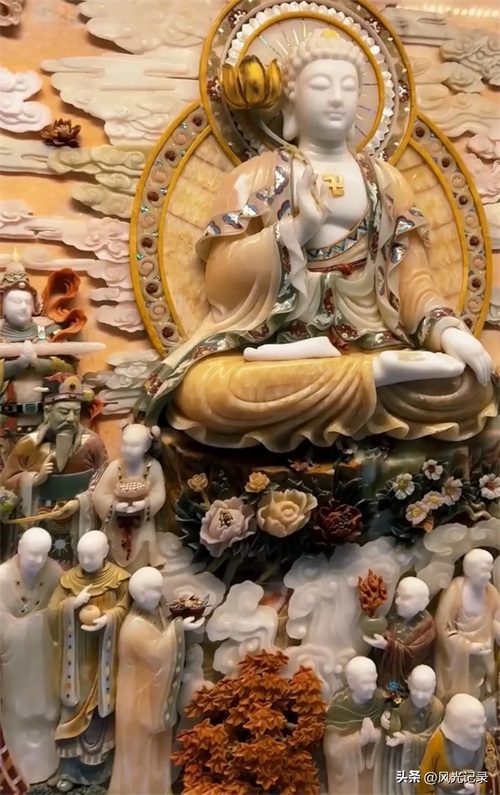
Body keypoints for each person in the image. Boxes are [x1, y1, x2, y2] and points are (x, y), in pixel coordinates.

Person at [136, 29, 496, 452]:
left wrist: (448, 332)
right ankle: (374, 377)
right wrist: (296, 231)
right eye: (321, 86)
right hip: (283, 347)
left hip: (374, 339)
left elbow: (413, 280)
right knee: (207, 392)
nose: (337, 98)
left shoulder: (386, 180)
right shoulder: (257, 175)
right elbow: (220, 281)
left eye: (349, 87)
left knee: (471, 385)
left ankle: (375, 372)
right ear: (290, 100)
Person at [108, 567, 203, 795]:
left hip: (151, 696)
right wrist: (179, 629)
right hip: (136, 698)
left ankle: (157, 789)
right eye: (155, 590)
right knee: (138, 749)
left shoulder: (155, 613)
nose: (160, 594)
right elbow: (158, 652)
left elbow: (163, 633)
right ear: (140, 595)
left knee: (156, 746)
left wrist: (178, 620)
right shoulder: (134, 627)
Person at [48, 530, 130, 792]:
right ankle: (69, 772)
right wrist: (72, 604)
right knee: (72, 710)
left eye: (91, 555)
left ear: (105, 552)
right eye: (82, 555)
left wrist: (110, 619)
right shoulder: (68, 581)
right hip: (75, 662)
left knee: (99, 715)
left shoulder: (120, 579)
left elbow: (126, 608)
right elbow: (52, 613)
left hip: (105, 659)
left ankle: (101, 772)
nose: (85, 560)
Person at [0, 373, 108, 567]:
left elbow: (104, 479)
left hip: (78, 520)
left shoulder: (92, 443)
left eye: (76, 413)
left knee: (76, 562)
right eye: (64, 412)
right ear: (48, 411)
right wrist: (33, 479)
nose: (71, 419)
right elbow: (5, 484)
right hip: (39, 518)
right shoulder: (28, 445)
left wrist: (80, 502)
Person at [0, 527, 61, 784]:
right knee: (18, 709)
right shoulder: (2, 577)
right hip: (15, 660)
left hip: (45, 656)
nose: (38, 560)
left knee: (47, 709)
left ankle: (48, 762)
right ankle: (18, 766)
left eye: (43, 554)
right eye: (32, 554)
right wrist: (30, 624)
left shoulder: (54, 573)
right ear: (20, 548)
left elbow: (59, 609)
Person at [92, 424, 166, 573]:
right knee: (113, 549)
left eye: (134, 446)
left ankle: (139, 568)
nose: (127, 450)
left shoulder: (153, 467)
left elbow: (159, 493)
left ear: (146, 447)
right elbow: (99, 494)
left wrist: (144, 504)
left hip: (142, 522)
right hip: (116, 522)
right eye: (124, 444)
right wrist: (115, 506)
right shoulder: (114, 467)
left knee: (140, 552)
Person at [435, 549, 500, 702]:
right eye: (484, 571)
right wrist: (468, 647)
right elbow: (443, 629)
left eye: (490, 571)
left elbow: (496, 618)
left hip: (485, 651)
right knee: (462, 695)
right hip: (458, 658)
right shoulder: (455, 590)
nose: (488, 576)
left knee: (486, 686)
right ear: (470, 570)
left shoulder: (490, 591)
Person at [376, 665, 444, 794]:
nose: (420, 696)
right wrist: (386, 715)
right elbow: (392, 713)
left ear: (434, 687)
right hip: (399, 754)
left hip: (421, 757)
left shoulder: (437, 708)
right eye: (416, 689)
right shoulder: (401, 702)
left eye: (426, 691)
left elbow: (431, 738)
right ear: (409, 684)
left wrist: (407, 739)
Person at [324, 656, 385, 794]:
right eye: (366, 683)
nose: (372, 687)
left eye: (374, 681)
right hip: (350, 778)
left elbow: (392, 734)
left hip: (375, 775)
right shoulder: (339, 708)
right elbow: (332, 749)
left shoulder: (381, 700)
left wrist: (378, 735)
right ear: (352, 683)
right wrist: (358, 739)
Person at [364, 577, 436, 686]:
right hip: (383, 670)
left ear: (423, 603)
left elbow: (413, 655)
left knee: (393, 689)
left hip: (405, 678)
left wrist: (387, 645)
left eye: (405, 598)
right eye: (397, 595)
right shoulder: (392, 615)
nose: (397, 601)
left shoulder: (427, 627)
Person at [417, 695, 487, 795]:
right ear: (457, 726)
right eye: (474, 726)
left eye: (482, 724)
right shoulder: (438, 741)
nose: (481, 731)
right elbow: (425, 780)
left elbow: (494, 774)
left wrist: (478, 788)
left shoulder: (484, 738)